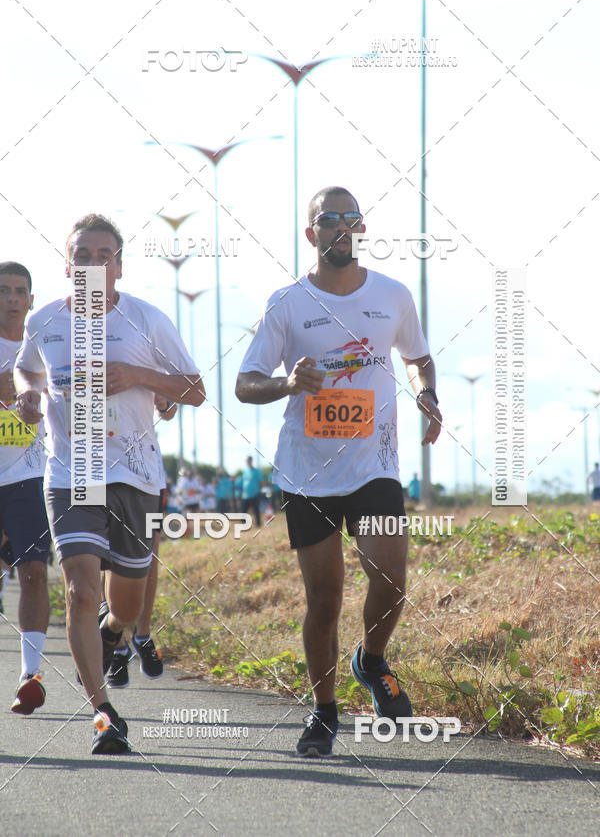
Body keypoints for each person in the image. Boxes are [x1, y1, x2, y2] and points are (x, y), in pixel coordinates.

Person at [236, 186, 442, 757]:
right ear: (312, 234)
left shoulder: (393, 296)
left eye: (353, 219)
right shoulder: (287, 303)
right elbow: (245, 383)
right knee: (325, 597)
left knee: (392, 578)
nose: (343, 228)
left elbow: (419, 357)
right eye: (330, 220)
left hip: (373, 464)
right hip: (307, 471)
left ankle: (371, 662)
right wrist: (286, 383)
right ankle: (324, 712)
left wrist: (429, 395)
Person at [15, 214, 205, 754]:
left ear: (118, 266)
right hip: (75, 474)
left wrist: (139, 376)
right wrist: (29, 392)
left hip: (137, 475)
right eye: (82, 255)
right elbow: (27, 369)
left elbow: (194, 389)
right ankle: (103, 713)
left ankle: (115, 632)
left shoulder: (147, 319)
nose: (93, 264)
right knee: (78, 588)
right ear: (67, 263)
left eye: (104, 255)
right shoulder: (46, 321)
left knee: (125, 602)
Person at [0, 262, 52, 715]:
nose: (13, 298)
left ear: (31, 300)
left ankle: (28, 677)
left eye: (21, 291)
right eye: (4, 291)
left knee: (34, 572)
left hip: (27, 476)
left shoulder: (46, 345)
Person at [106, 397, 176, 689]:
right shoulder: (81, 349)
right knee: (104, 556)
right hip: (98, 464)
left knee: (151, 553)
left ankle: (142, 635)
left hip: (145, 468)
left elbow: (170, 411)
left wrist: (164, 401)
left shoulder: (147, 351)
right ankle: (117, 643)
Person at [241, 455, 262, 526]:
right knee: (243, 510)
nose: (248, 462)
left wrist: (259, 491)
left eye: (249, 460)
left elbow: (261, 482)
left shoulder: (257, 471)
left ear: (251, 461)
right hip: (245, 495)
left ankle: (258, 524)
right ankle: (243, 524)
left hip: (255, 493)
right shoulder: (245, 471)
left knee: (256, 510)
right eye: (247, 461)